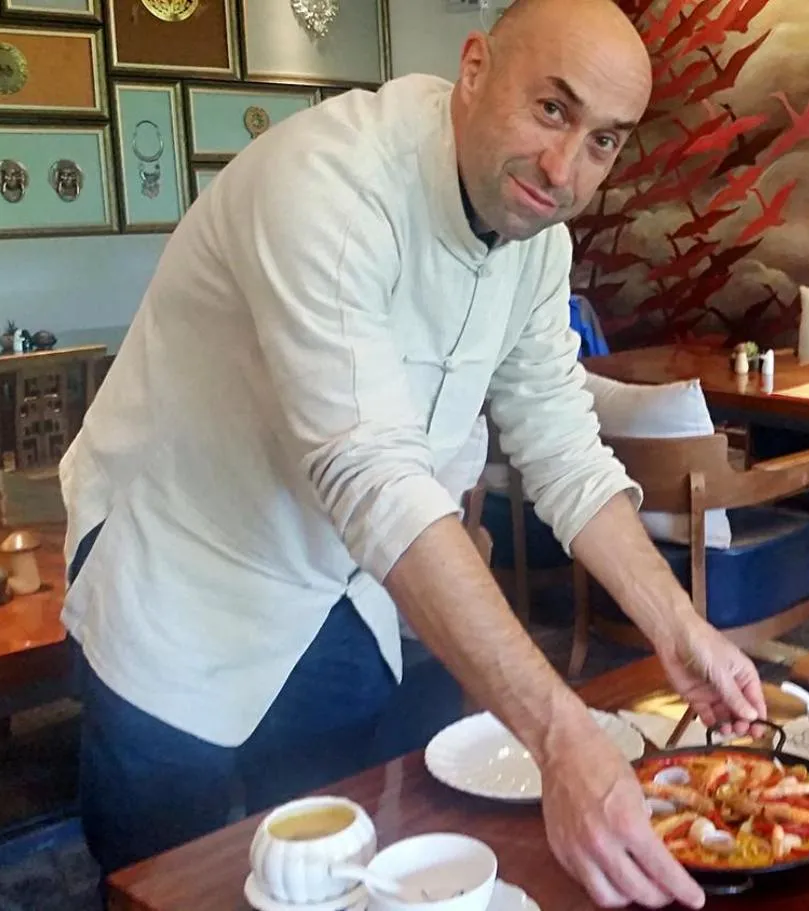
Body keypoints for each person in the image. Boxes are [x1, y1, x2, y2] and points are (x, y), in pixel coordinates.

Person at [58, 1, 764, 907]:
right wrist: (559, 737)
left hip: (345, 591)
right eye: (551, 109)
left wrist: (681, 628)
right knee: (169, 878)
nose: (564, 169)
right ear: (473, 69)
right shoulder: (331, 181)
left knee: (330, 869)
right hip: (181, 581)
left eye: (602, 141)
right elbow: (373, 474)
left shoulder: (535, 237)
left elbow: (561, 444)